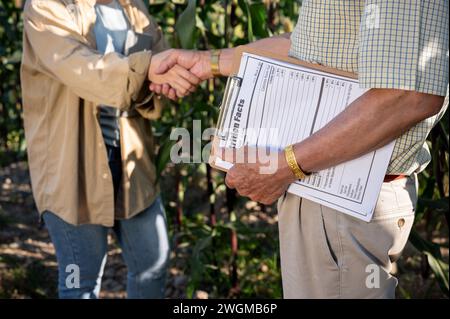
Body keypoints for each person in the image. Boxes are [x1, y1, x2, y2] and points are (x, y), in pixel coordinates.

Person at [151, 1, 449, 298]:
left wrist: (286, 166)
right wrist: (209, 62)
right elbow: (311, 49)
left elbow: (411, 94)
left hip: (346, 199)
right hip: (320, 186)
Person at [21, 0, 200, 298]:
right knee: (80, 280)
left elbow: (159, 57)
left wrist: (168, 75)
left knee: (152, 264)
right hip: (73, 170)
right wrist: (147, 69)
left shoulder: (133, 6)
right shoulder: (44, 7)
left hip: (132, 162)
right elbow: (80, 68)